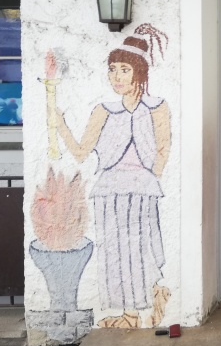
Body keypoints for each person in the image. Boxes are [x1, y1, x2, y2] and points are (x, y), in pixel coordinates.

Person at [56, 23, 171, 329]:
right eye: (112, 69)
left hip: (142, 192)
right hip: (108, 193)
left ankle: (143, 307)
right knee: (114, 253)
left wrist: (148, 180)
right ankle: (126, 314)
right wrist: (60, 125)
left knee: (139, 250)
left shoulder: (157, 108)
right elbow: (82, 152)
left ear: (139, 73)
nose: (116, 77)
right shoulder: (103, 111)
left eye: (123, 69)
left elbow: (163, 149)